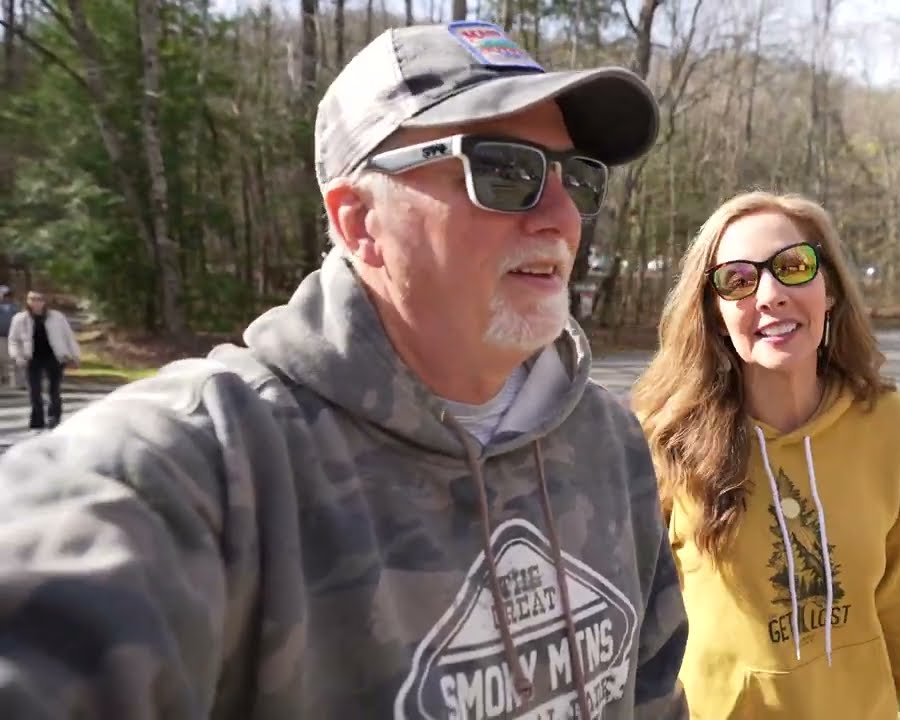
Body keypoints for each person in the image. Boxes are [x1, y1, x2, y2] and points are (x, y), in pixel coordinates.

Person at [0, 21, 687, 719]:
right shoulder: (222, 468)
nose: (563, 216)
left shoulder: (609, 438)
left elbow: (656, 690)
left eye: (575, 177)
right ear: (360, 222)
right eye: (505, 172)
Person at [632, 191, 900, 719]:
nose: (770, 294)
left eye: (793, 267)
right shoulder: (664, 439)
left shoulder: (892, 428)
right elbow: (633, 633)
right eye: (738, 280)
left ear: (829, 291)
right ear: (714, 313)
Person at [6, 290, 80, 428]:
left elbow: (69, 337)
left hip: (55, 357)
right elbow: (13, 340)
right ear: (27, 301)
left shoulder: (57, 317)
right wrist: (17, 356)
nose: (35, 302)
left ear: (44, 301)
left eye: (39, 299)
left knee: (54, 390)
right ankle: (37, 420)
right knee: (34, 391)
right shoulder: (20, 319)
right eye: (32, 299)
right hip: (32, 358)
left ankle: (54, 417)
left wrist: (75, 356)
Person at [0, 286, 17, 388]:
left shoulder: (15, 308)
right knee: (1, 359)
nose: (3, 297)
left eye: (5, 295)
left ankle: (9, 381)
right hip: (1, 336)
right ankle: (3, 378)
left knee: (10, 360)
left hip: (12, 337)